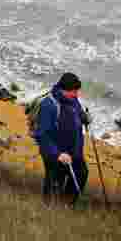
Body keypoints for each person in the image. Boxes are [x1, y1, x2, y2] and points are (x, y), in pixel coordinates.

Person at [33, 72, 90, 204]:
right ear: (63, 90)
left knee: (81, 174)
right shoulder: (49, 105)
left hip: (73, 152)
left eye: (77, 91)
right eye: (74, 91)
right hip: (55, 155)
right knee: (54, 184)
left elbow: (78, 113)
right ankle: (50, 210)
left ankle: (67, 206)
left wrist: (85, 118)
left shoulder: (72, 99)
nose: (77, 94)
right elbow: (41, 134)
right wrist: (57, 154)